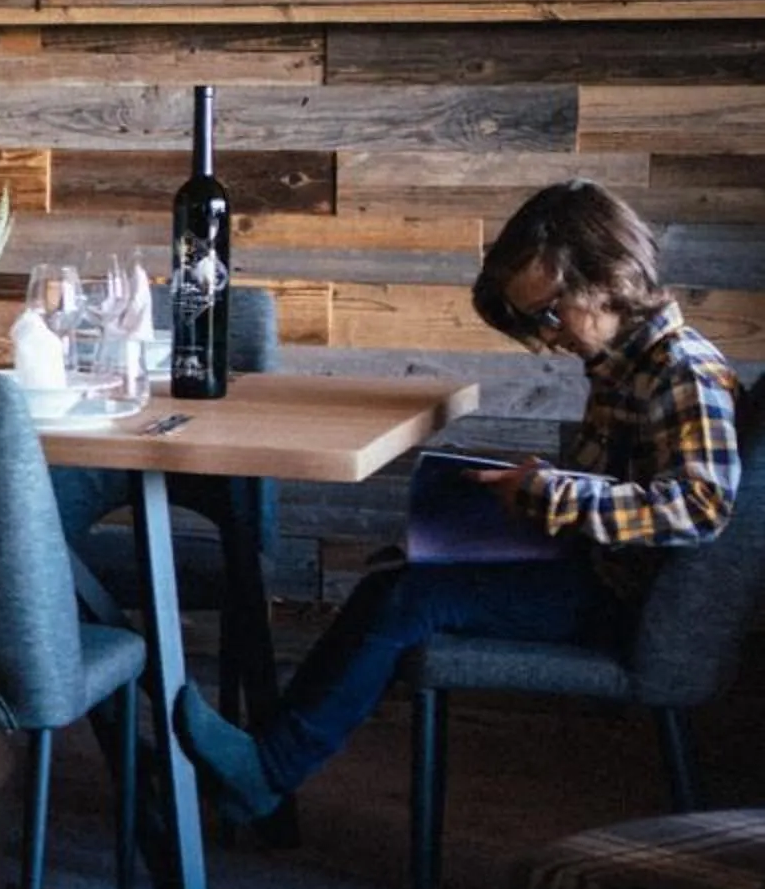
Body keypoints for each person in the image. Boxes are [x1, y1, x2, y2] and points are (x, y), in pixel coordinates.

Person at [176, 180, 741, 821]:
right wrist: (524, 498)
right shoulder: (625, 367)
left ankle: (265, 771)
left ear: (607, 273)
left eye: (549, 314)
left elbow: (701, 507)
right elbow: (623, 490)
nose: (547, 338)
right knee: (396, 574)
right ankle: (263, 761)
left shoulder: (683, 369)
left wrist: (555, 492)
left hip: (623, 603)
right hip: (592, 571)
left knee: (410, 598)